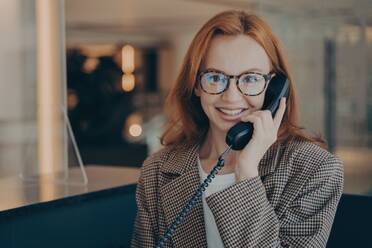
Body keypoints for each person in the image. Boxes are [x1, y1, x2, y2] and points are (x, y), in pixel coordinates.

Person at [131, 10, 343, 248]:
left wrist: (247, 173)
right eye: (215, 77)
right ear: (196, 84)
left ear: (275, 88)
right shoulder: (157, 171)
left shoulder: (315, 170)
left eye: (250, 79)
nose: (231, 97)